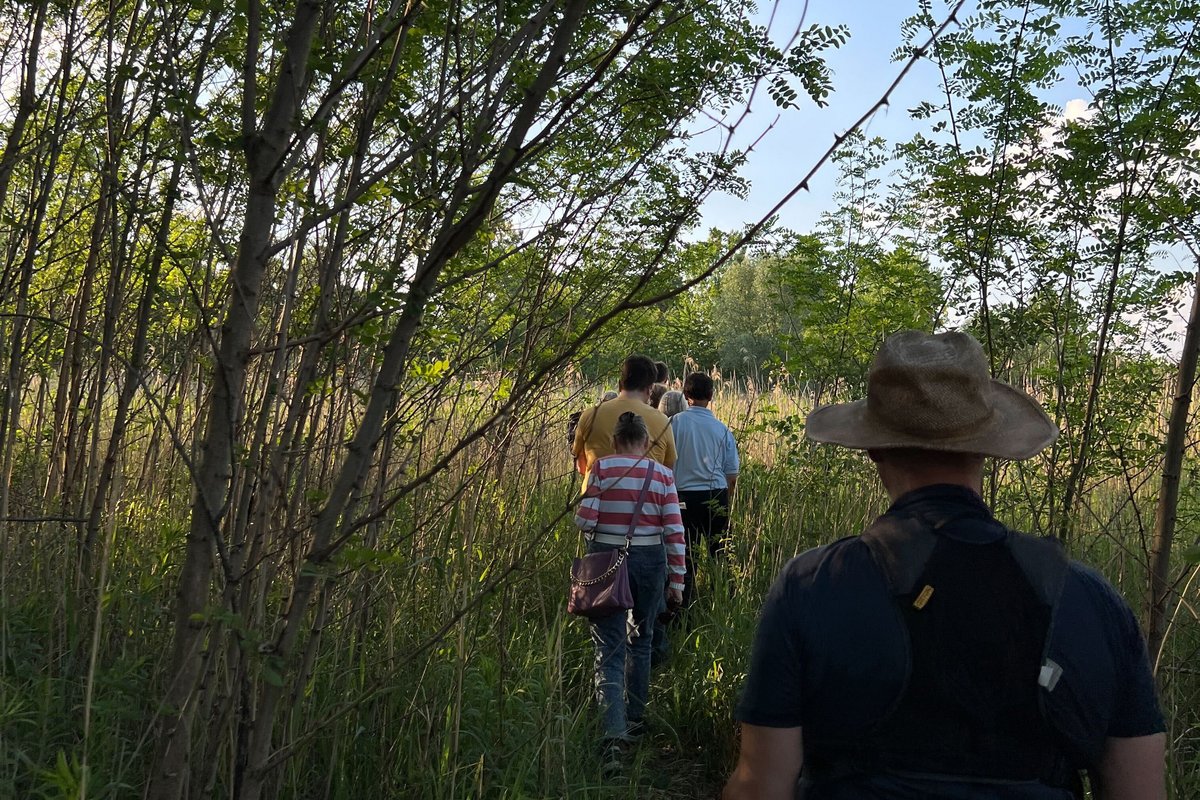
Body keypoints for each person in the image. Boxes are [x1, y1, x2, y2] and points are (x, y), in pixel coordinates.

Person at [723, 330, 1166, 799]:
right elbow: (1139, 789)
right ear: (988, 448)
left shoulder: (811, 586)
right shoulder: (1090, 600)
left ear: (873, 447)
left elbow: (761, 788)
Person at [574, 412, 685, 766]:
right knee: (642, 639)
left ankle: (612, 735)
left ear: (616, 440)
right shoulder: (662, 475)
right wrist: (678, 581)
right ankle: (636, 721)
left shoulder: (602, 469)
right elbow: (674, 531)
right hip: (651, 561)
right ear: (645, 441)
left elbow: (584, 520)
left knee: (608, 648)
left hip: (606, 558)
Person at [670, 371, 739, 608]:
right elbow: (732, 474)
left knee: (685, 556)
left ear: (686, 394)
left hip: (682, 499)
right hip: (716, 495)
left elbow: (665, 464)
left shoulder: (674, 424)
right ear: (711, 395)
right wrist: (725, 500)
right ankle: (725, 602)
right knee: (720, 552)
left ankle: (683, 608)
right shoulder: (722, 430)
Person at [573, 355, 676, 479]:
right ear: (650, 388)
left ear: (621, 383)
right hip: (644, 496)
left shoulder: (590, 415)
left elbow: (581, 466)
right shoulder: (662, 421)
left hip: (598, 495)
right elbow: (667, 469)